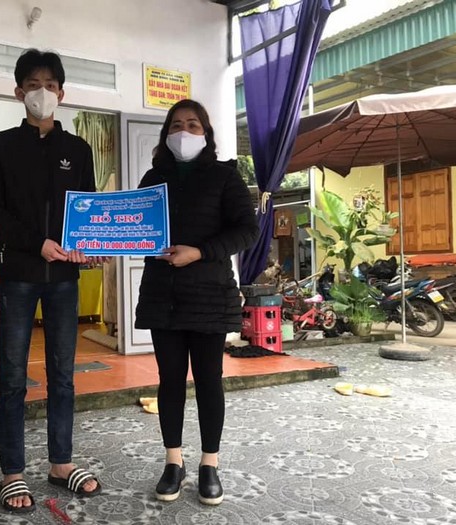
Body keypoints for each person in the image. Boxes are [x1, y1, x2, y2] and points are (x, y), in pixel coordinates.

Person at [0, 48, 103, 514]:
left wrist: (87, 243)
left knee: (63, 374)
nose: (42, 93)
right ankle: (12, 472)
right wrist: (38, 244)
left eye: (50, 85)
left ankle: (61, 463)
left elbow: (87, 209)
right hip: (19, 275)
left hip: (64, 277)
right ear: (18, 92)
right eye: (34, 85)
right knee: (12, 376)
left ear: (62, 93)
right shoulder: (0, 146)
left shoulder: (79, 150)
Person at [135, 99, 258, 505]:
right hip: (163, 296)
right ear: (166, 133)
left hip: (209, 295)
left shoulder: (225, 176)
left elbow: (247, 230)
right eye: (176, 125)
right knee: (169, 380)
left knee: (208, 380)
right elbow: (135, 227)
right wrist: (103, 241)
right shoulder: (153, 179)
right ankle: (174, 462)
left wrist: (199, 252)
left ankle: (209, 464)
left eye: (192, 125)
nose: (184, 132)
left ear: (206, 133)